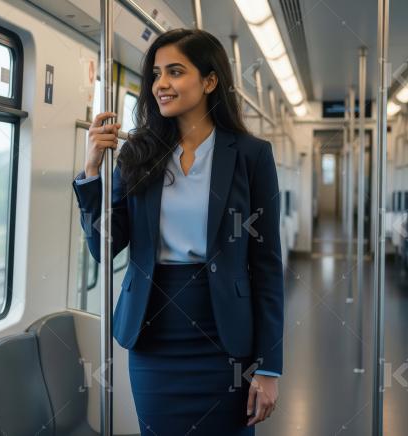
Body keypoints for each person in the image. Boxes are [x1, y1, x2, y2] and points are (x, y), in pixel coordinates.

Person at [71, 28, 284, 435]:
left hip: (226, 337)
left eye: (174, 72)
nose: (160, 85)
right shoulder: (137, 153)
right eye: (155, 75)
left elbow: (268, 265)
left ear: (209, 80)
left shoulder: (251, 155)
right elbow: (105, 246)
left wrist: (269, 365)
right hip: (155, 334)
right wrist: (92, 170)